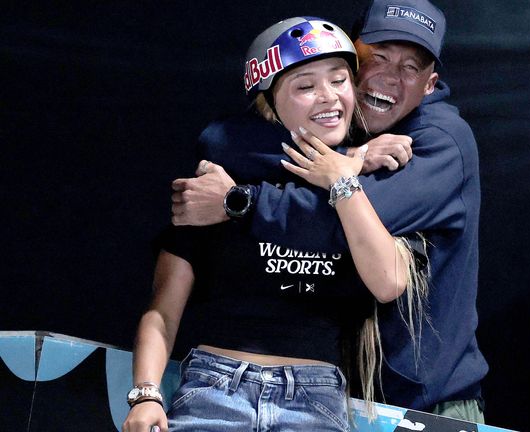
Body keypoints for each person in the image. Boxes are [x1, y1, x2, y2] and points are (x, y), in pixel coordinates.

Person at [171, 0, 488, 423]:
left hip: (427, 403)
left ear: (430, 84)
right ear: (351, 57)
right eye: (377, 59)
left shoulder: (439, 139)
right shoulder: (353, 125)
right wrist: (351, 154)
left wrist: (239, 202)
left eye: (410, 69)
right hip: (343, 396)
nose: (390, 79)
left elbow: (342, 222)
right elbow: (224, 138)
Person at [123, 16, 427, 432]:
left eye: (340, 81)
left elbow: (390, 282)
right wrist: (146, 393)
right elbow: (162, 310)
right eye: (305, 86)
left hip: (314, 395)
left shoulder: (370, 187)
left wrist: (345, 171)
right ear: (269, 103)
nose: (329, 97)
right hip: (216, 383)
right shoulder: (217, 185)